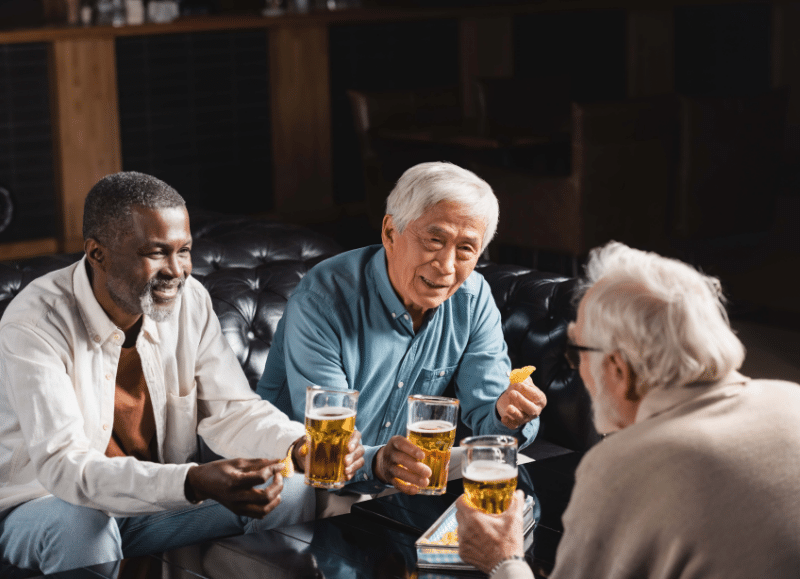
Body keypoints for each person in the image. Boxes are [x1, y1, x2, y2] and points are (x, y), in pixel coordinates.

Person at [0, 172, 364, 574]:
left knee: (290, 485)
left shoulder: (189, 300)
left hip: (154, 503)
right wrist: (192, 481)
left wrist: (297, 446)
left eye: (184, 250)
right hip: (42, 504)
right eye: (156, 252)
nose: (177, 271)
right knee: (81, 525)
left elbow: (232, 409)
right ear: (97, 253)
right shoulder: (35, 324)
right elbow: (65, 469)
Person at [456, 241, 800, 578]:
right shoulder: (792, 398)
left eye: (576, 350)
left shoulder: (624, 464)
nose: (577, 367)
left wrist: (503, 561)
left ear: (618, 369)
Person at [257, 162, 547, 500]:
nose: (447, 266)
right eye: (434, 240)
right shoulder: (323, 299)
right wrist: (379, 463)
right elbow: (328, 447)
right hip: (299, 480)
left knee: (508, 476)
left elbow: (488, 420)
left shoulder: (472, 298)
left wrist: (507, 415)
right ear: (390, 233)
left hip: (396, 485)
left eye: (466, 249)